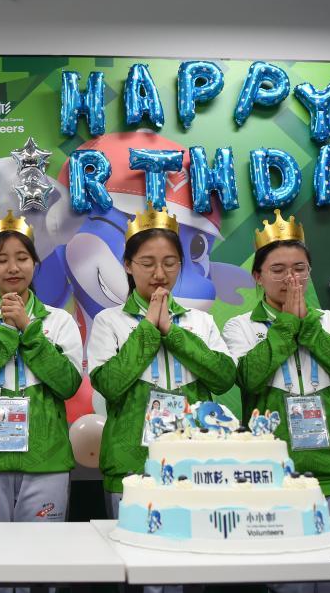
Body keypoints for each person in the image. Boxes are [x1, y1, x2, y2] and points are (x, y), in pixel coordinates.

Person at [223, 210, 330, 593]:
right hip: (274, 480)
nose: (291, 279)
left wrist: (310, 329)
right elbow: (249, 378)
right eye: (278, 270)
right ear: (257, 276)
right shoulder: (240, 326)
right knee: (291, 585)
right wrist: (288, 324)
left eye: (300, 269)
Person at [0, 211, 83, 593]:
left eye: (22, 257)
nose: (12, 267)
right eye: (1, 259)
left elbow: (68, 383)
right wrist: (6, 333)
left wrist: (29, 330)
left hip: (45, 461)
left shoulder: (59, 321)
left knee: (40, 569)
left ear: (35, 264)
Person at [87, 203, 235, 517]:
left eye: (170, 263)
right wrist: (149, 329)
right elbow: (109, 384)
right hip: (130, 465)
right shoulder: (108, 321)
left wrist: (173, 332)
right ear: (128, 265)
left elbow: (224, 378)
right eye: (147, 263)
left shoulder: (200, 321)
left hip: (193, 464)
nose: (159, 274)